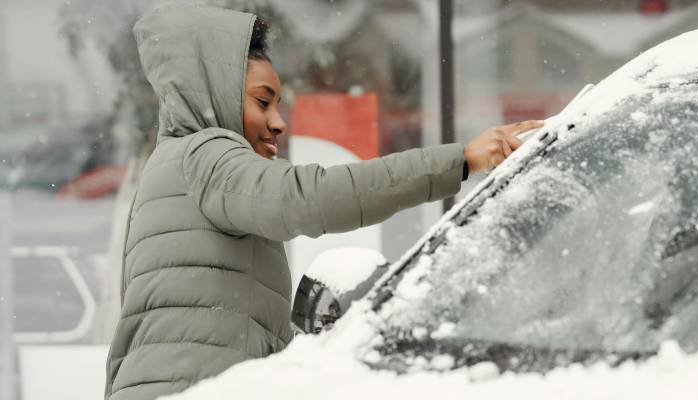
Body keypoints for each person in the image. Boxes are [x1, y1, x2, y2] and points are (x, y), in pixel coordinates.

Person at [104, 5, 541, 400]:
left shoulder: (173, 167)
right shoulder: (207, 154)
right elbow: (309, 198)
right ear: (214, 94)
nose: (278, 124)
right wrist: (460, 160)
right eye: (262, 102)